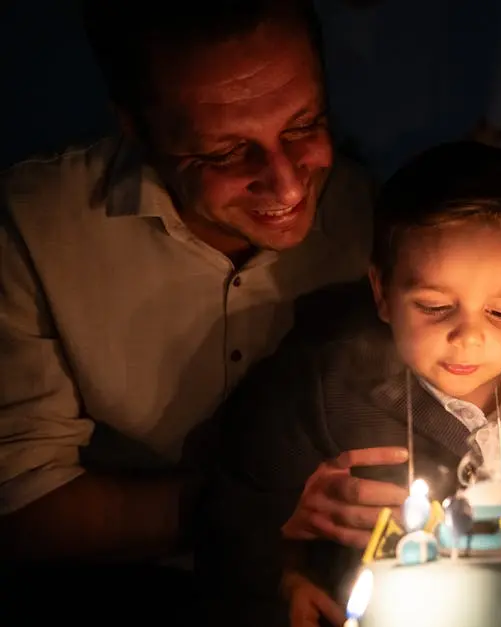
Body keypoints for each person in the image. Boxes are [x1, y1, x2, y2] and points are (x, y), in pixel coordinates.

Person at [0, 0, 374, 622]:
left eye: (305, 125)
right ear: (137, 128)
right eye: (226, 154)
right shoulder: (33, 228)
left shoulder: (371, 217)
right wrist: (254, 508)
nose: (287, 185)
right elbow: (19, 510)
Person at [198, 141, 501, 626]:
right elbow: (228, 513)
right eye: (435, 306)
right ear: (382, 293)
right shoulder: (325, 391)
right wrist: (281, 580)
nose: (468, 336)